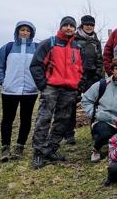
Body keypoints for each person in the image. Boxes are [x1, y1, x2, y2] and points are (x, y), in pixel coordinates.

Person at [29, 16, 83, 169]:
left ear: (74, 28)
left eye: (71, 26)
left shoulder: (78, 47)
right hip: (51, 88)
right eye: (65, 25)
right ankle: (38, 152)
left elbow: (81, 69)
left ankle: (51, 149)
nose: (68, 28)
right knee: (44, 119)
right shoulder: (49, 43)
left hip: (70, 90)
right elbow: (36, 65)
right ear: (61, 27)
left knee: (62, 120)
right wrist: (43, 85)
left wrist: (78, 87)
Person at [0, 21, 39, 161]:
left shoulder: (36, 48)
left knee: (26, 119)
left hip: (30, 91)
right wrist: (3, 81)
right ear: (17, 31)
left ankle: (20, 146)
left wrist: (38, 82)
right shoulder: (8, 47)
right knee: (7, 119)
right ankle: (5, 148)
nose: (25, 32)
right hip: (9, 91)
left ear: (32, 33)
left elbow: (42, 66)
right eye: (22, 30)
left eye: (28, 30)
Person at [63, 14, 104, 145]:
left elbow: (99, 59)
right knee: (71, 104)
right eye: (87, 24)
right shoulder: (73, 39)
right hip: (76, 76)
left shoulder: (95, 40)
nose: (89, 27)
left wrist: (99, 74)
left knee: (96, 104)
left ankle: (95, 131)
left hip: (93, 77)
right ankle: (69, 134)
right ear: (82, 25)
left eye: (91, 25)